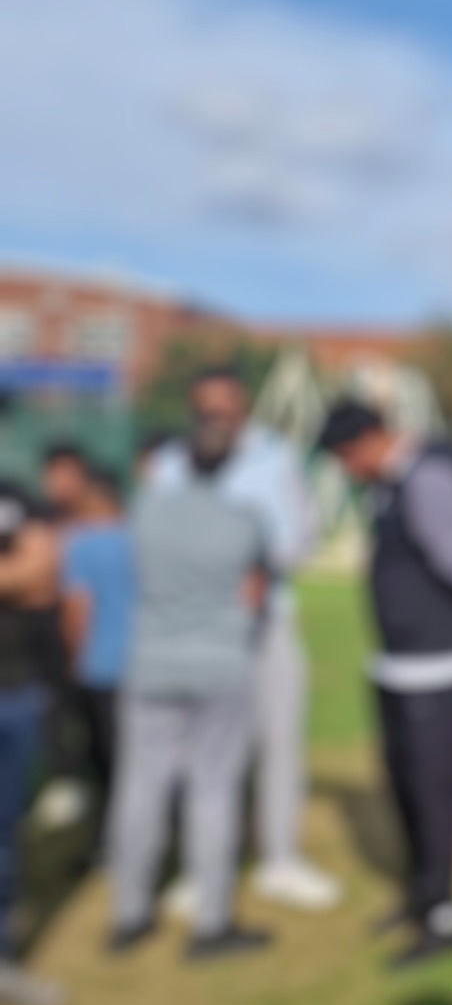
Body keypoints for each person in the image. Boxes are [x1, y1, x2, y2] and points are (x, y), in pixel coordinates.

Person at [148, 367, 340, 911]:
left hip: (267, 622)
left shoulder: (275, 457)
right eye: (207, 411)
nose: (218, 420)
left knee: (280, 744)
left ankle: (280, 861)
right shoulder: (168, 464)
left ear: (243, 408)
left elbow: (299, 533)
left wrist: (255, 558)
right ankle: (202, 868)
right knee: (201, 751)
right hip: (194, 625)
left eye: (226, 410)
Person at [317, 397, 452, 969]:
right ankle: (420, 899)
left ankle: (443, 918)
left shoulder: (430, 476)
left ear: (373, 438)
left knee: (432, 795)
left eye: (347, 454)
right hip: (397, 668)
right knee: (401, 789)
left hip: (440, 669)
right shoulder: (385, 484)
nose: (346, 468)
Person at [107, 416, 273, 961]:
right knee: (213, 790)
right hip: (220, 663)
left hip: (152, 660)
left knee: (141, 788)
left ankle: (129, 913)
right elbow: (254, 597)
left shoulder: (145, 509)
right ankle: (212, 922)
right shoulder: (243, 520)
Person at [43, 447, 134, 849]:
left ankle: (112, 844)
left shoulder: (81, 543)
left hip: (99, 667)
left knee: (106, 764)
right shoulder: (140, 537)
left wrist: (73, 658)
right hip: (143, 667)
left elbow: (78, 610)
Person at [0, 477, 65, 1005]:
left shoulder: (17, 495)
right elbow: (28, 572)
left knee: (5, 840)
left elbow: (45, 574)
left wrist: (25, 570)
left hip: (16, 694)